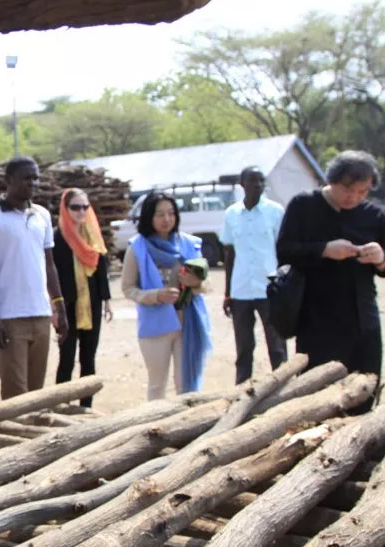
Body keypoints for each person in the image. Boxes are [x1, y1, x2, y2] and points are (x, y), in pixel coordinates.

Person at [277, 150, 385, 379]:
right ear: (331, 180)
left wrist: (381, 258)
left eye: (362, 192)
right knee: (316, 387)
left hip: (363, 318)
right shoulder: (303, 206)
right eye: (348, 190)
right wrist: (324, 250)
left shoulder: (372, 215)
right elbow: (284, 251)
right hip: (317, 320)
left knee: (365, 385)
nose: (354, 197)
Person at [0, 157, 66, 400]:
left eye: (35, 178)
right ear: (9, 180)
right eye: (27, 178)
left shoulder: (42, 215)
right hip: (9, 317)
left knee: (36, 393)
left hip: (40, 313)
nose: (32, 183)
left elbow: (49, 265)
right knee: (15, 393)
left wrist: (59, 307)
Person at [121, 192, 212, 399]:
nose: (167, 219)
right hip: (155, 325)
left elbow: (206, 284)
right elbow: (128, 288)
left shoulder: (189, 244)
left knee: (187, 386)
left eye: (171, 213)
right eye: (160, 214)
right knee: (157, 385)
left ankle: (188, 419)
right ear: (148, 217)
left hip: (188, 323)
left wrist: (196, 283)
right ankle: (156, 420)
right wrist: (156, 296)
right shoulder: (137, 247)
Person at [221, 166, 287, 384]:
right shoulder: (231, 214)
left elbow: (283, 251)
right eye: (252, 180)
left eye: (260, 180)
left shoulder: (275, 212)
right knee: (244, 348)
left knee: (277, 347)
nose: (257, 185)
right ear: (242, 184)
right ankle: (241, 391)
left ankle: (282, 390)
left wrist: (285, 287)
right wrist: (227, 293)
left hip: (269, 289)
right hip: (241, 290)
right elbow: (229, 255)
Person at [51, 188, 113, 407]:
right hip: (66, 305)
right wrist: (53, 307)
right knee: (66, 357)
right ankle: (61, 405)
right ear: (65, 209)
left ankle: (86, 406)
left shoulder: (92, 234)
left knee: (89, 358)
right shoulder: (57, 237)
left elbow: (101, 270)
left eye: (85, 207)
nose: (81, 212)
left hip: (92, 303)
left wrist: (106, 301)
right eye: (75, 207)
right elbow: (51, 273)